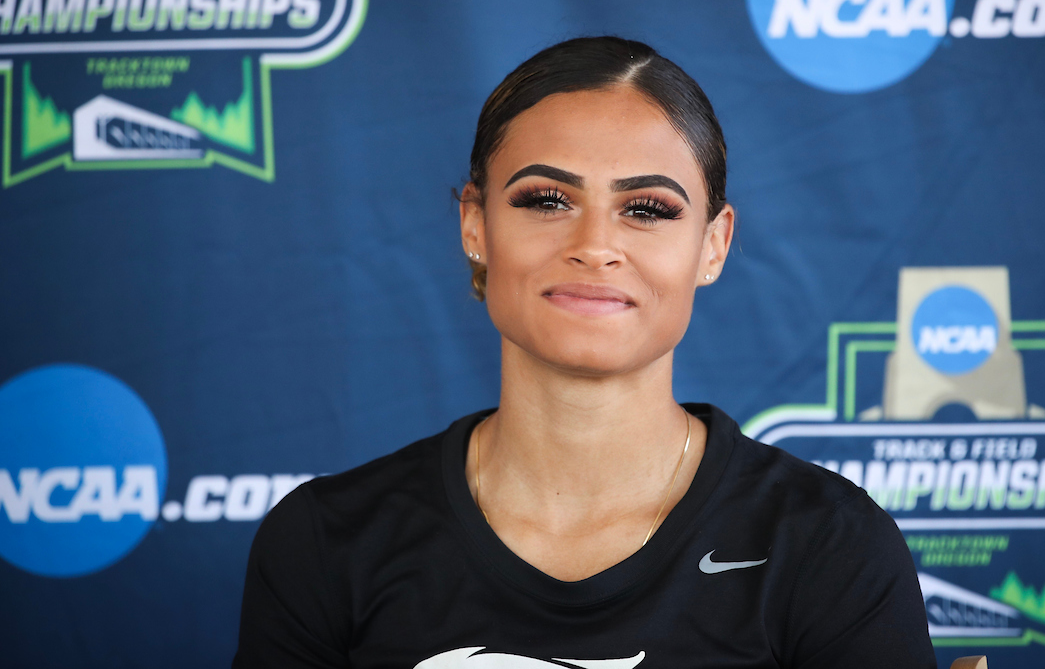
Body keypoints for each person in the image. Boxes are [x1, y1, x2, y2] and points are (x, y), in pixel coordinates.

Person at [233, 37, 936, 668]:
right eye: (546, 200)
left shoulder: (827, 543)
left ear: (713, 245)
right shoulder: (326, 542)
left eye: (648, 209)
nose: (595, 246)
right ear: (475, 225)